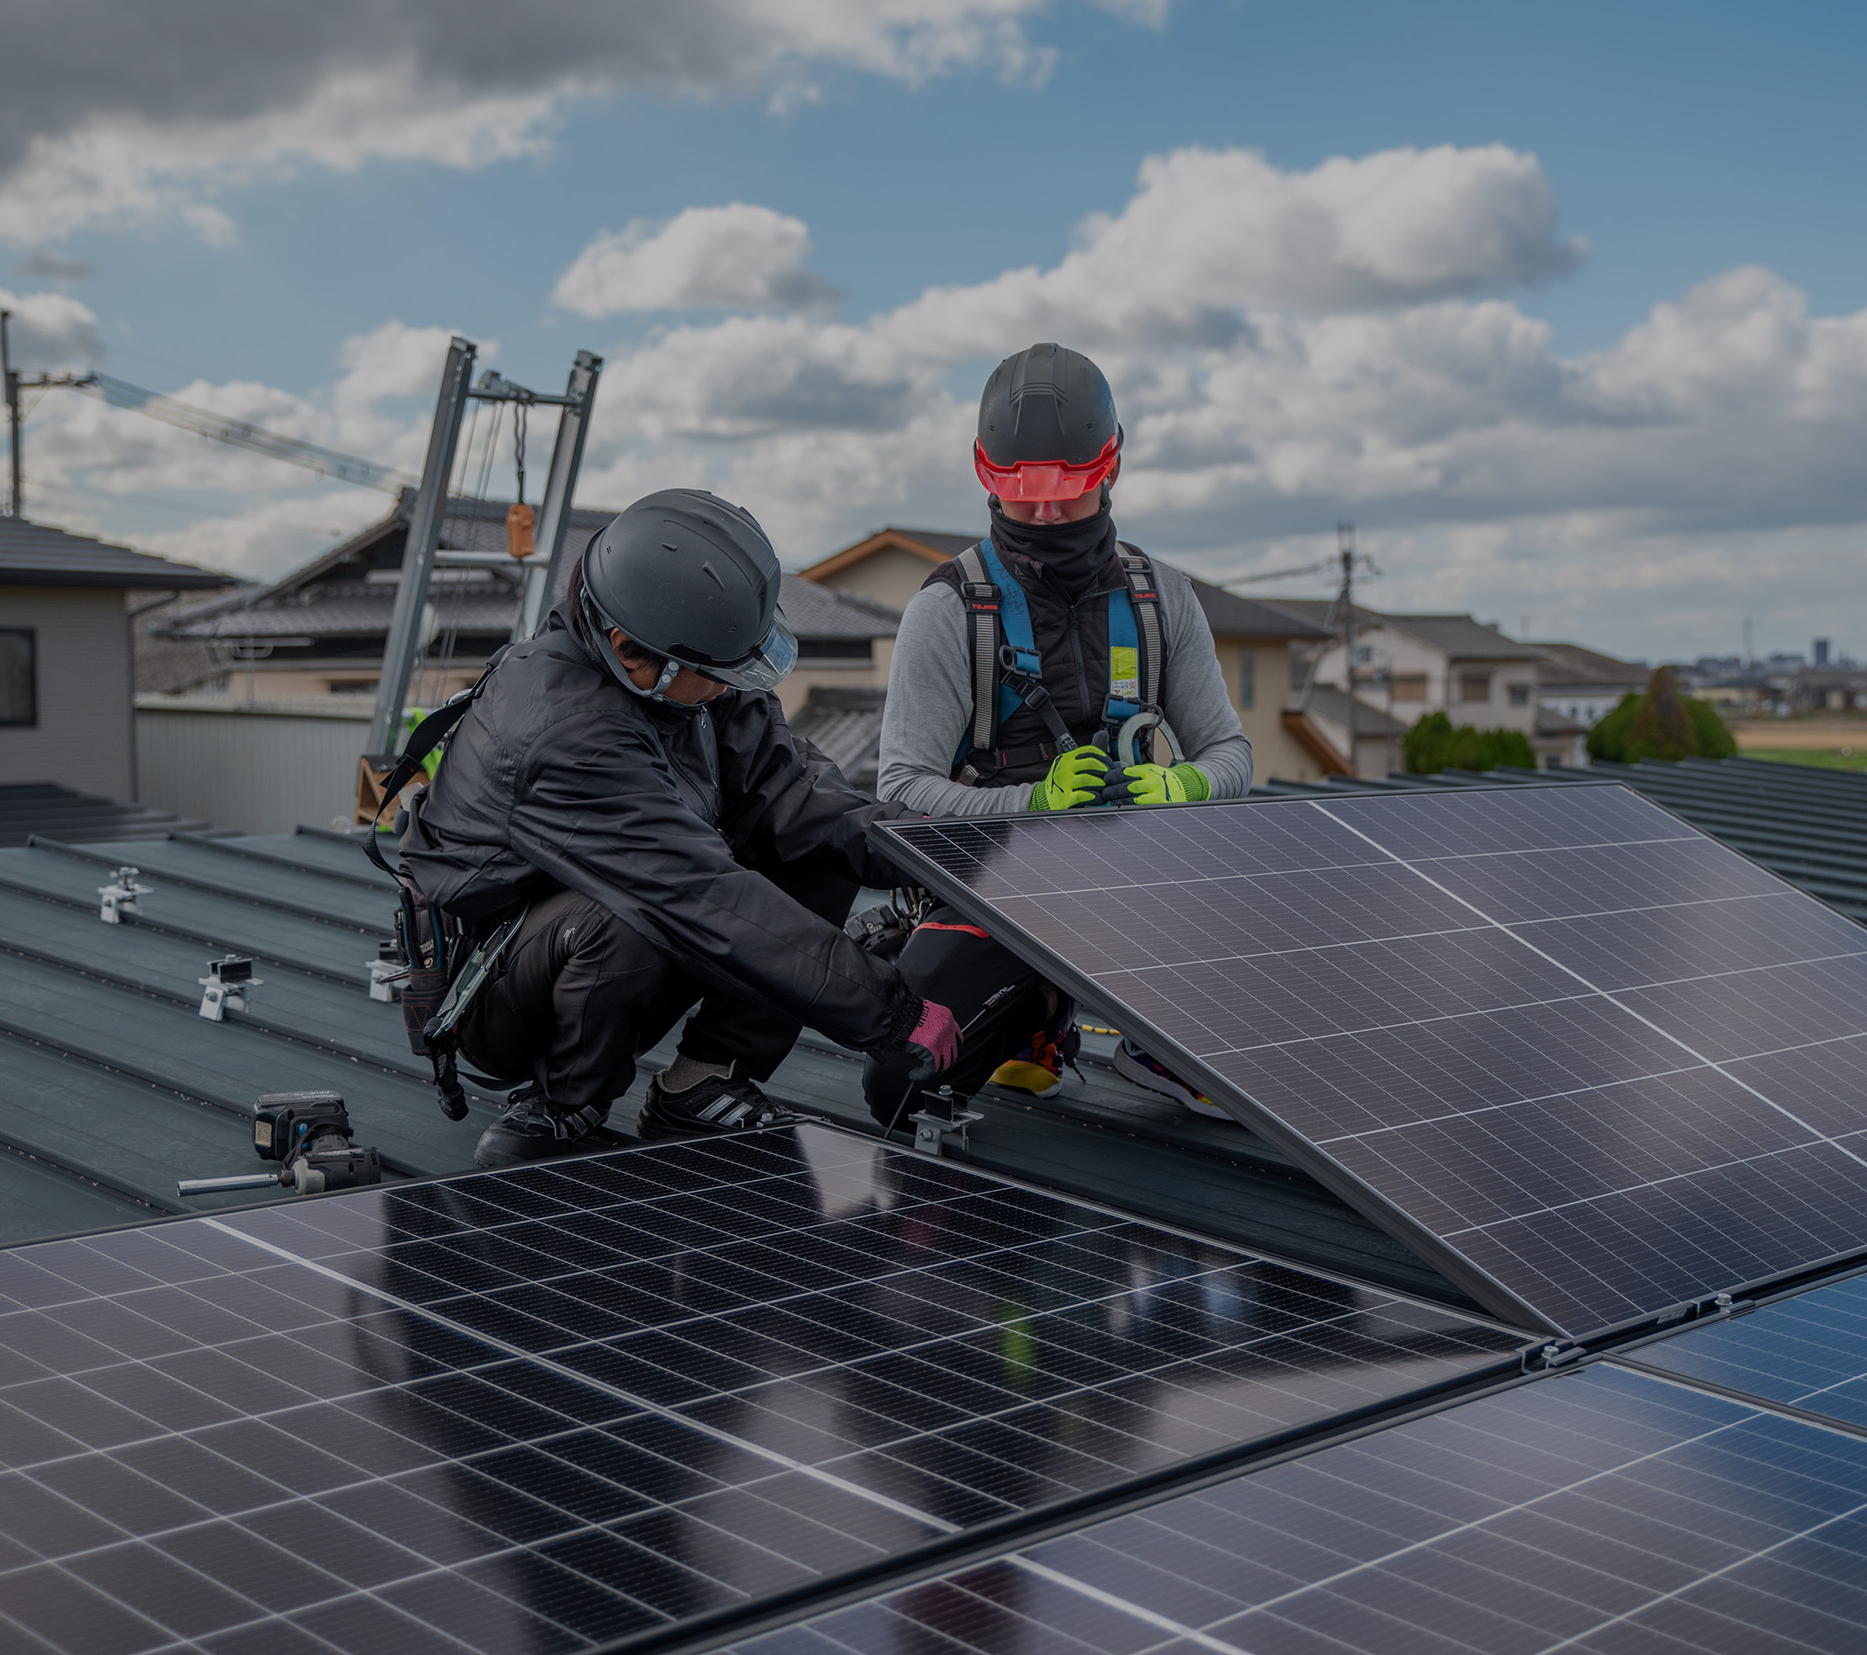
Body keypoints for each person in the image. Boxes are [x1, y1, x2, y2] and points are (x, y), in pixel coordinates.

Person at [398, 488, 960, 1167]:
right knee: (627, 915)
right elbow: (700, 896)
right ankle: (566, 1100)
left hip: (627, 914)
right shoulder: (563, 732)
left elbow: (802, 798)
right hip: (499, 991)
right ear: (629, 652)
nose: (730, 687)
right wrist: (893, 1013)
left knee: (816, 847)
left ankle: (702, 1080)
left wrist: (951, 860)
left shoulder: (682, 665)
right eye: (717, 674)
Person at [866, 342, 1252, 1123]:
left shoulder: (1161, 599)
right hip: (1000, 888)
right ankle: (1040, 1009)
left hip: (1137, 883)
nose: (1043, 513)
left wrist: (1182, 784)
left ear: (1109, 468)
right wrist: (1028, 801)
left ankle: (1157, 1041)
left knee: (1304, 914)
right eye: (1020, 494)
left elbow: (1231, 755)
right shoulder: (948, 610)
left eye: (1065, 493)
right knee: (900, 1091)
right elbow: (901, 790)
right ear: (986, 474)